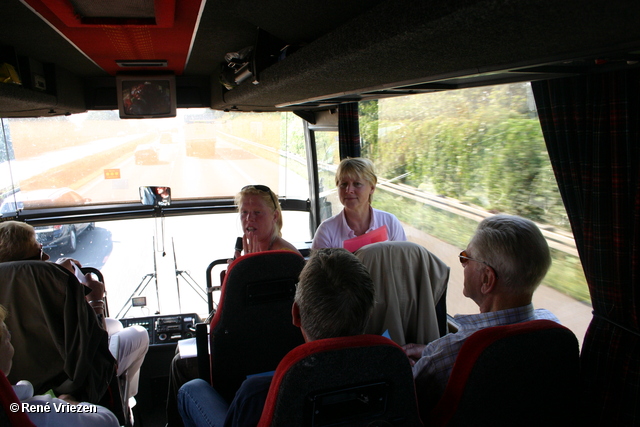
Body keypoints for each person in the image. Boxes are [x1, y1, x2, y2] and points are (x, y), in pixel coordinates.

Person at [176, 248, 376, 427]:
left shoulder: (259, 394)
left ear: (296, 314)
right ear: (369, 313)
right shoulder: (389, 370)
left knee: (192, 389)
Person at [165, 184, 299, 426]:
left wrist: (241, 272)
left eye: (257, 212)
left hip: (249, 352)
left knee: (179, 364)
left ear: (275, 216)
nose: (249, 219)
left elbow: (221, 323)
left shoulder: (265, 262)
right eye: (244, 213)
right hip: (265, 351)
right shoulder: (291, 258)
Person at [402, 214, 559, 415]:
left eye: (465, 258)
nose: (464, 264)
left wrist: (408, 366)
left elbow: (404, 405)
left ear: (486, 279)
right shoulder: (553, 328)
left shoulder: (449, 353)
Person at [0, 220, 149, 404]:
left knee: (116, 325)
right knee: (139, 335)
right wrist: (96, 300)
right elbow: (95, 344)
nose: (46, 257)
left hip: (19, 383)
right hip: (67, 385)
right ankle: (122, 402)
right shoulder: (52, 279)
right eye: (40, 252)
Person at [0, 304, 120, 427]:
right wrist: (72, 405)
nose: (10, 337)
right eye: (6, 336)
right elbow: (109, 421)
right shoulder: (41, 411)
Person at [311, 157, 406, 249]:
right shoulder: (326, 231)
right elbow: (319, 265)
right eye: (343, 184)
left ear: (372, 188)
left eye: (357, 184)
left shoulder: (389, 222)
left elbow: (402, 261)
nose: (349, 190)